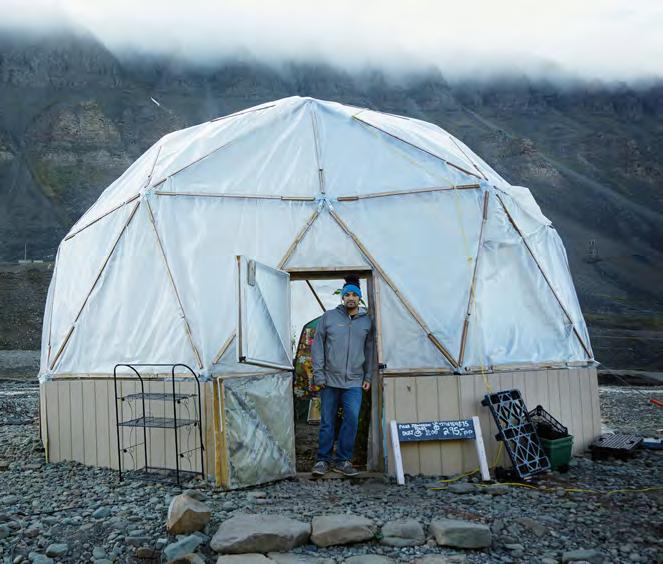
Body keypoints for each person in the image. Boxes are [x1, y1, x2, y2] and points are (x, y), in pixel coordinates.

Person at [310, 275, 374, 477]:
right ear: (342, 297)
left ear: (360, 298)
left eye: (355, 295)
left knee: (352, 420)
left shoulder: (366, 322)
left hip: (355, 380)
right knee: (327, 422)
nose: (351, 298)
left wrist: (368, 376)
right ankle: (323, 460)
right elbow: (318, 348)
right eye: (348, 295)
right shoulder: (328, 318)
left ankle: (343, 460)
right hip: (330, 380)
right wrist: (319, 375)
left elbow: (371, 350)